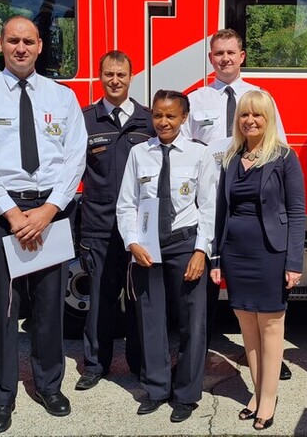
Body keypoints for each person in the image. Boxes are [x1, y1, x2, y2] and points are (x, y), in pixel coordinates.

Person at [0, 16, 87, 433]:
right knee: (3, 310)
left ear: (40, 45)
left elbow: (75, 157)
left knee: (50, 309)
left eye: (27, 41)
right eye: (12, 40)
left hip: (51, 211)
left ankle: (50, 386)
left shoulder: (62, 96)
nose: (20, 47)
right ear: (1, 44)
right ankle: (1, 398)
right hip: (2, 215)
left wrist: (49, 211)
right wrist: (13, 215)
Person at [185, 28, 292, 381]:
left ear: (242, 56)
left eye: (231, 52)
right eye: (218, 53)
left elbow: (279, 149)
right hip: (207, 203)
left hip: (248, 206)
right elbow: (186, 152)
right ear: (210, 57)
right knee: (206, 288)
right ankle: (198, 356)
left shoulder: (260, 98)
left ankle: (266, 359)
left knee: (258, 293)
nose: (225, 59)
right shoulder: (196, 100)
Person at [115, 90, 217, 423]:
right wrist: (132, 242)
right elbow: (126, 203)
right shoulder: (138, 154)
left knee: (192, 323)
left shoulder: (199, 155)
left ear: (184, 118)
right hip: (147, 247)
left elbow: (209, 208)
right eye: (158, 115)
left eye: (171, 116)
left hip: (185, 245)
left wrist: (202, 251)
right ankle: (157, 388)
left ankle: (186, 394)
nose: (163, 122)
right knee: (150, 320)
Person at [210, 89, 305, 431]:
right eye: (244, 115)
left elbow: (296, 211)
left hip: (270, 253)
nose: (250, 120)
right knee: (247, 329)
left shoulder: (283, 157)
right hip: (235, 252)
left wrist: (294, 262)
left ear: (268, 119)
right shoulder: (232, 157)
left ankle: (268, 398)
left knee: (270, 327)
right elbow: (223, 210)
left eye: (257, 115)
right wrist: (217, 257)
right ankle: (256, 391)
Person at [75, 51, 154, 391]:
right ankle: (95, 364)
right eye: (109, 74)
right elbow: (71, 171)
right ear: (100, 76)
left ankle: (140, 363)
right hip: (100, 226)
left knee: (140, 298)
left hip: (140, 229)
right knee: (100, 300)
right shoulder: (85, 120)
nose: (115, 80)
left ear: (131, 76)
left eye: (121, 74)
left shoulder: (149, 120)